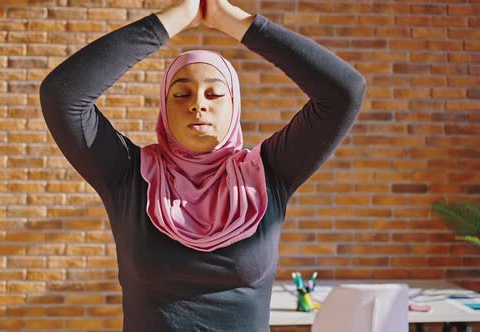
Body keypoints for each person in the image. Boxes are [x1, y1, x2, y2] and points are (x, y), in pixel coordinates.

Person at [39, 0, 366, 330]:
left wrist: (233, 21)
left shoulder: (269, 172)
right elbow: (62, 96)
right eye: (181, 95)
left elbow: (345, 92)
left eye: (214, 94)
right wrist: (178, 17)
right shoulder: (129, 173)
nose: (198, 105)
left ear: (234, 105)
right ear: (165, 110)